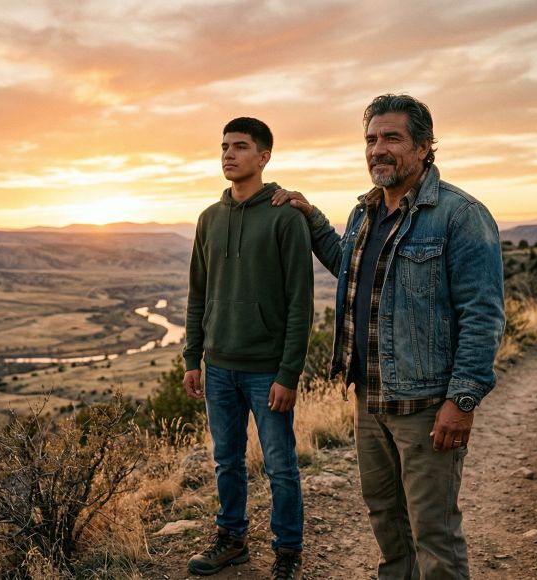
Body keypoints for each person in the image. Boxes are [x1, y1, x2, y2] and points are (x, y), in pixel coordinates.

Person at [272, 94, 505, 579]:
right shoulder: (365, 212)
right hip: (369, 397)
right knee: (386, 521)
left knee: (434, 533)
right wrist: (312, 218)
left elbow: (483, 315)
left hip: (424, 404)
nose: (378, 149)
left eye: (392, 138)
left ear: (423, 146)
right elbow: (349, 267)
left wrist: (462, 400)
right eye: (371, 139)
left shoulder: (460, 214)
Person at [182, 117, 313, 579]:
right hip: (218, 366)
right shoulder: (209, 219)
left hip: (266, 371)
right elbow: (198, 294)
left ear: (264, 157)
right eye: (224, 147)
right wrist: (193, 357)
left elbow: (300, 301)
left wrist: (288, 373)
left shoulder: (285, 217)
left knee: (280, 465)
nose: (228, 155)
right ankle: (232, 539)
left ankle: (288, 553)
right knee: (227, 461)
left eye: (239, 146)